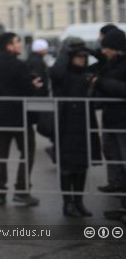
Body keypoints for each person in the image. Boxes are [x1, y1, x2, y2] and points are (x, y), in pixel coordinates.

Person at [0, 32, 42, 207]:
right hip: (19, 116)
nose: (20, 45)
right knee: (27, 151)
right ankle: (21, 190)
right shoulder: (18, 65)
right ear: (9, 46)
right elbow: (25, 89)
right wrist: (34, 86)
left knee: (1, 154)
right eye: (17, 42)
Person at [50, 42, 99, 217]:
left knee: (81, 167)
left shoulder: (88, 74)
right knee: (67, 167)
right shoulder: (64, 75)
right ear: (71, 58)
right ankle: (68, 203)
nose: (82, 60)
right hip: (66, 125)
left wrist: (91, 49)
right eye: (79, 57)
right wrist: (66, 50)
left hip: (85, 124)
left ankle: (79, 201)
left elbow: (104, 62)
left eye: (84, 57)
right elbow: (55, 72)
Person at [94, 27, 126, 221]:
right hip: (113, 119)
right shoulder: (112, 63)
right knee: (119, 165)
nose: (103, 51)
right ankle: (123, 206)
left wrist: (102, 83)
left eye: (106, 47)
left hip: (123, 122)